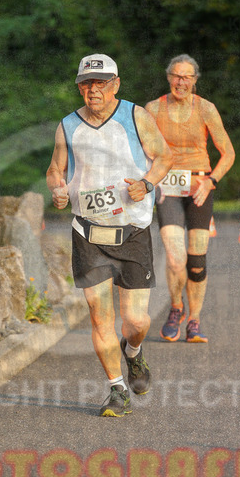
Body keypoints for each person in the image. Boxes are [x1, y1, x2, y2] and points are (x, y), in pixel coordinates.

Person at [46, 53, 173, 417]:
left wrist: (146, 184)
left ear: (115, 84)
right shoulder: (68, 126)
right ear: (79, 88)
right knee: (100, 316)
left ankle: (133, 351)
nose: (93, 90)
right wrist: (57, 189)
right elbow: (55, 170)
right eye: (87, 83)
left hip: (132, 231)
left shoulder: (136, 117)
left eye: (101, 83)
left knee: (136, 322)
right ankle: (117, 390)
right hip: (88, 232)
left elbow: (165, 157)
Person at [145, 54, 235, 343]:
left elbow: (228, 153)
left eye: (187, 77)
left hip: (199, 189)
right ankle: (176, 308)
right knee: (175, 259)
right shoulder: (153, 109)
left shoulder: (206, 109)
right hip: (168, 189)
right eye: (176, 76)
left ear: (195, 80)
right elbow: (141, 149)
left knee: (196, 262)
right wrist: (151, 179)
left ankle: (194, 320)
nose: (180, 82)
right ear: (168, 77)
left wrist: (211, 181)